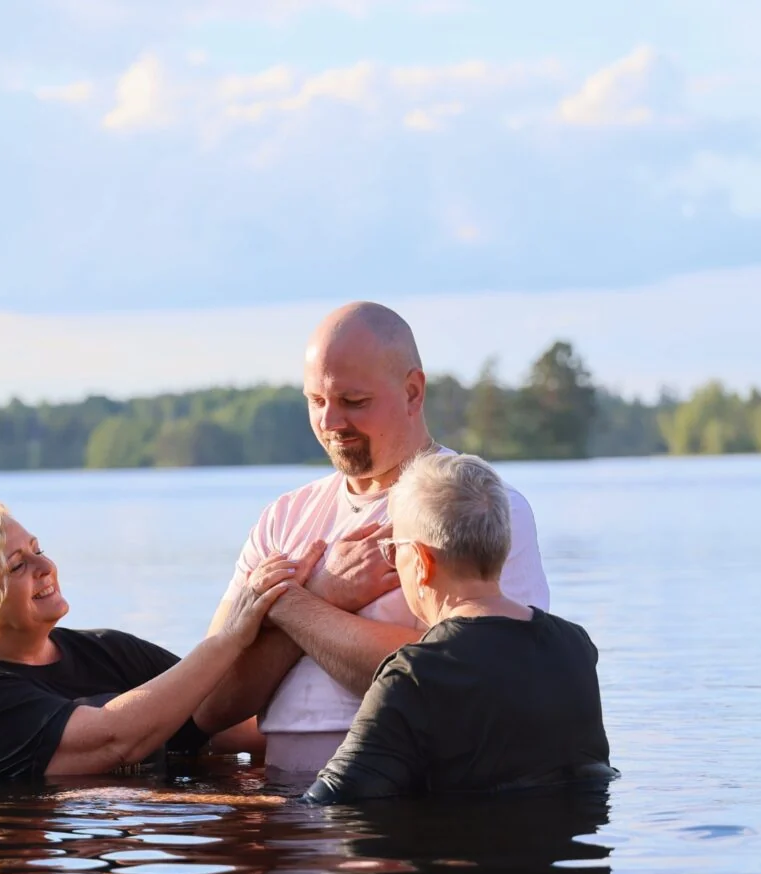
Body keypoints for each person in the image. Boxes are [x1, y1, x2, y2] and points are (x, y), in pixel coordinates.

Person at [204, 301, 550, 773]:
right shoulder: (283, 519)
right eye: (316, 401)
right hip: (285, 805)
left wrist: (287, 606)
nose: (330, 423)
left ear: (412, 392)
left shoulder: (483, 507)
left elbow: (475, 680)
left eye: (353, 401)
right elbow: (209, 703)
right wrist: (320, 593)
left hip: (405, 802)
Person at [0, 502, 320, 780]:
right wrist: (232, 635)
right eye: (16, 566)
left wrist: (309, 606)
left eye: (37, 550)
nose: (45, 566)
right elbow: (115, 739)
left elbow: (223, 721)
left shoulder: (110, 652)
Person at [297, 452, 614, 803]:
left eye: (393, 550)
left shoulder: (415, 674)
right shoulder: (574, 646)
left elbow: (330, 802)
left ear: (422, 561)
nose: (394, 561)